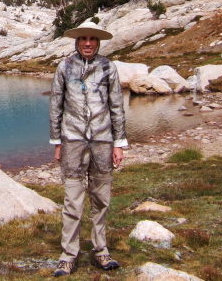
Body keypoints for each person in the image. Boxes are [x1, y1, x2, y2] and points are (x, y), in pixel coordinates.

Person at [49, 21, 127, 277]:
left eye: (92, 39)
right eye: (83, 39)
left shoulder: (108, 68)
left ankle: (101, 251)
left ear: (98, 42)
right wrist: (57, 141)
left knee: (101, 197)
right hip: (72, 139)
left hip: (103, 140)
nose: (88, 43)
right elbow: (56, 106)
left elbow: (116, 106)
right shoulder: (64, 67)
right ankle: (68, 255)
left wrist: (119, 143)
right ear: (77, 41)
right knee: (72, 198)